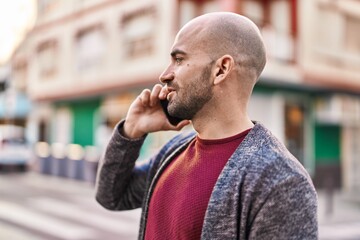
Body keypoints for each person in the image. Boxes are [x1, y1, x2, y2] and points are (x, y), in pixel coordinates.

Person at [95, 12, 318, 240]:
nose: (164, 75)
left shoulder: (281, 182)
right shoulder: (174, 150)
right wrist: (132, 131)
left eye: (179, 59)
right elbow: (111, 196)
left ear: (221, 69)